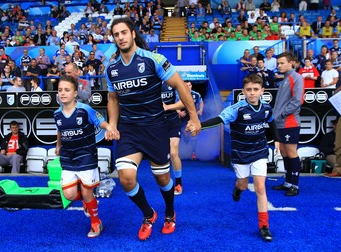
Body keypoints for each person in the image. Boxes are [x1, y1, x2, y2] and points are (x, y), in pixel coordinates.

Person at [105, 17, 201, 240]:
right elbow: (112, 99)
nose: (120, 37)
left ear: (133, 33)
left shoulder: (153, 59)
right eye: (116, 34)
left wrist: (194, 118)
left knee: (162, 178)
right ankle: (149, 215)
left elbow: (180, 86)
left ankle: (169, 213)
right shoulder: (112, 68)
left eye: (123, 33)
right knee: (126, 178)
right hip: (129, 129)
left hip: (155, 128)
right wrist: (111, 124)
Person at [200, 74, 278, 241]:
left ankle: (264, 226)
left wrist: (277, 139)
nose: (252, 93)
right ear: (243, 91)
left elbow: (271, 122)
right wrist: (200, 126)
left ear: (262, 91)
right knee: (242, 185)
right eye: (248, 90)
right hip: (241, 154)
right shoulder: (237, 109)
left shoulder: (266, 108)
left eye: (256, 89)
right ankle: (237, 188)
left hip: (260, 152)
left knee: (260, 187)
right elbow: (219, 119)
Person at [54, 75, 117, 238]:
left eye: (67, 90)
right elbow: (60, 131)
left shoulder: (84, 109)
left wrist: (109, 128)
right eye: (60, 90)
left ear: (75, 93)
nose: (63, 93)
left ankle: (96, 223)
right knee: (69, 194)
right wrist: (58, 145)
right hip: (68, 158)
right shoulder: (57, 114)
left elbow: (100, 121)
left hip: (86, 156)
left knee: (87, 192)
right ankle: (87, 202)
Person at [272, 52, 304, 197]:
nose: (279, 65)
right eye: (278, 63)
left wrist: (283, 114)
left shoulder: (296, 78)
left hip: (289, 122)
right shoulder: (285, 78)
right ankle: (288, 182)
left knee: (291, 152)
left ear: (291, 63)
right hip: (281, 121)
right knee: (284, 153)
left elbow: (298, 101)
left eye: (282, 63)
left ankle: (295, 185)